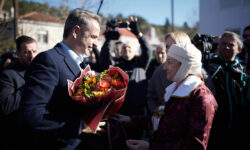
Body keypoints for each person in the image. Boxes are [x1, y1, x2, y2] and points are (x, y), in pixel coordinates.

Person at [19, 9, 101, 150]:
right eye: (93, 36)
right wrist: (80, 126)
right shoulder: (49, 60)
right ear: (76, 32)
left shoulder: (82, 64)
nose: (96, 44)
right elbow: (32, 114)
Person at [117, 42, 218, 150]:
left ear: (185, 65)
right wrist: (130, 119)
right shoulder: (175, 88)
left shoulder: (201, 97)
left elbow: (195, 145)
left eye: (169, 62)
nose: (164, 67)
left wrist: (150, 147)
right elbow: (162, 120)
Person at [207, 31, 250, 150]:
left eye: (231, 44)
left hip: (240, 128)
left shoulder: (245, 69)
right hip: (215, 129)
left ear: (239, 48)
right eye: (223, 44)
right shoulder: (209, 67)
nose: (226, 47)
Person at [0, 35, 38, 150]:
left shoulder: (41, 70)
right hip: (18, 138)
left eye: (34, 51)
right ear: (18, 53)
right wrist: (30, 84)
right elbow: (7, 106)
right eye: (26, 52)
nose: (31, 56)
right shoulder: (8, 74)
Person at [146, 31, 191, 115]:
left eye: (173, 46)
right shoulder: (159, 71)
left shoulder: (199, 77)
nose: (169, 51)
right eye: (167, 47)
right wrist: (158, 113)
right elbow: (151, 96)